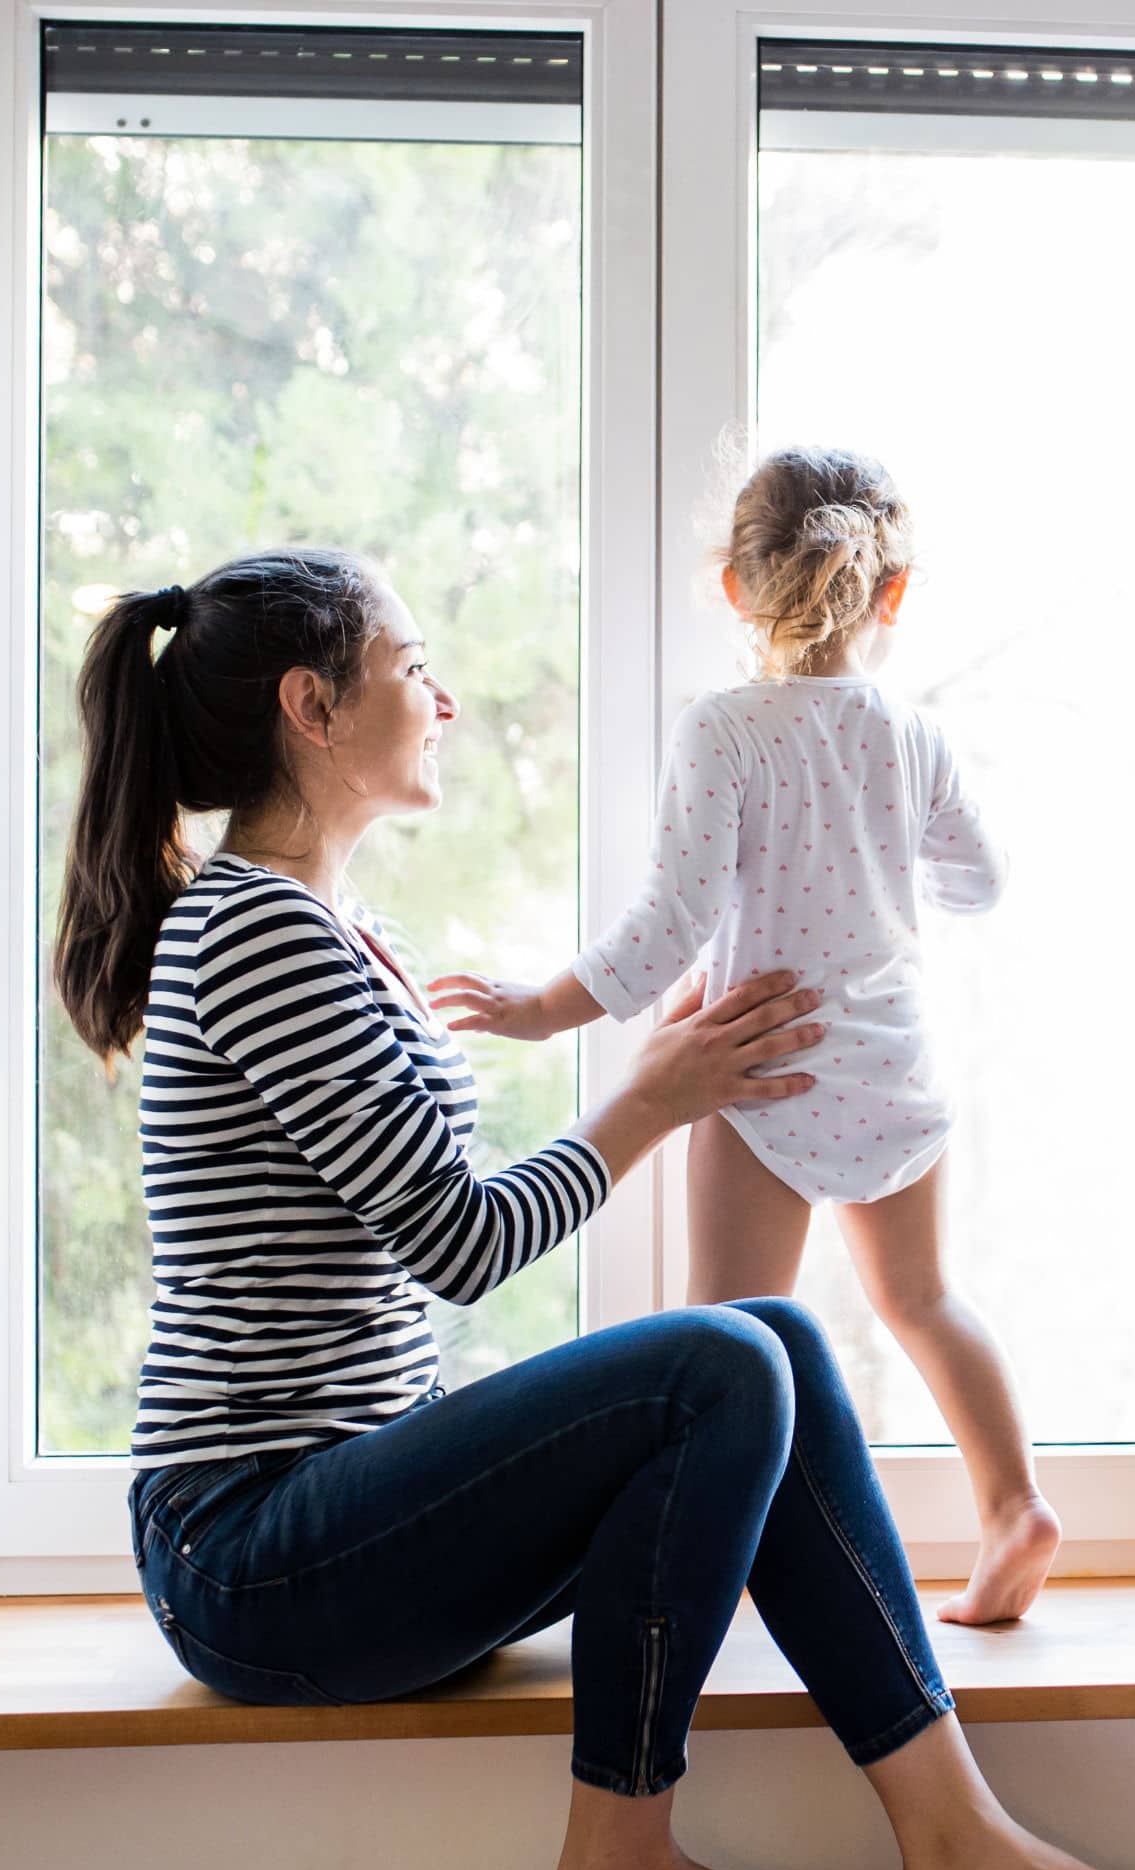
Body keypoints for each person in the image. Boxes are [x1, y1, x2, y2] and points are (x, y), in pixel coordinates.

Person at [49, 547, 1135, 1870]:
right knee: (720, 1361)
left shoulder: (336, 934)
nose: (446, 696)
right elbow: (459, 1240)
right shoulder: (260, 934)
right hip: (250, 1554)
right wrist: (652, 1098)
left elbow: (416, 1208)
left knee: (771, 1337)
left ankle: (957, 1839)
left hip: (339, 1510)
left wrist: (651, 1078)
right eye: (413, 668)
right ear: (313, 707)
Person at [437, 449, 1059, 1625]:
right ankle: (1014, 1503)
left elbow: (667, 927)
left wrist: (535, 1007)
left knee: (724, 1345)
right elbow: (981, 879)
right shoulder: (910, 735)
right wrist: (879, 849)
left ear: (733, 586)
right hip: (891, 1065)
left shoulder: (722, 732)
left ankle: (712, 1578)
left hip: (759, 1066)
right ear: (895, 593)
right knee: (924, 1298)